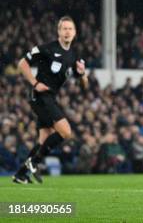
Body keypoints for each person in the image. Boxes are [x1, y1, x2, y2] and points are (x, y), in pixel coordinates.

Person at [12, 16, 88, 184]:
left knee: (44, 140)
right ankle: (34, 162)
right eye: (64, 29)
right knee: (66, 132)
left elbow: (84, 86)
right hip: (38, 95)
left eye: (70, 29)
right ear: (59, 32)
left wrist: (82, 74)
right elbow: (22, 63)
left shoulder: (74, 56)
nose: (67, 32)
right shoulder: (47, 48)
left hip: (50, 97)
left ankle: (21, 174)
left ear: (75, 33)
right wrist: (35, 83)